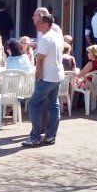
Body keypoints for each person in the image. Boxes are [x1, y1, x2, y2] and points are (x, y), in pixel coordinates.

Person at [23, 14, 64, 148]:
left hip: (46, 77)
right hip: (57, 75)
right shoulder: (57, 37)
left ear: (46, 24)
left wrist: (38, 77)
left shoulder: (46, 39)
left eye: (39, 22)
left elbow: (39, 61)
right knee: (53, 105)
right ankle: (50, 136)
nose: (36, 24)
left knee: (33, 104)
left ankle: (35, 137)